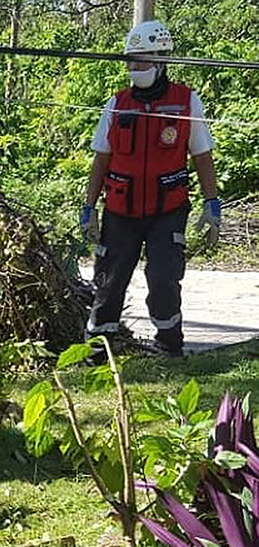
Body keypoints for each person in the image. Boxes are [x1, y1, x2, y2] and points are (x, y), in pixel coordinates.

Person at [80, 19, 221, 358]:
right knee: (108, 282)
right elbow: (101, 159)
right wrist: (88, 209)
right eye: (131, 59)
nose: (134, 66)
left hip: (167, 210)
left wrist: (211, 205)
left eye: (141, 60)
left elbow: (203, 156)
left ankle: (169, 346)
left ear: (160, 59)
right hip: (120, 210)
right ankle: (99, 351)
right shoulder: (116, 104)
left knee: (163, 279)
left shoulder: (187, 102)